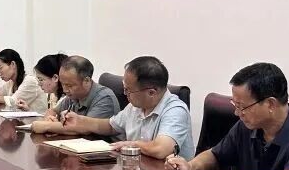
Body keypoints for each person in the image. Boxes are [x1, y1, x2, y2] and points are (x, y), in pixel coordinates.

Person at [60, 56, 194, 159]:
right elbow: (111, 126)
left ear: (151, 93)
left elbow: (161, 149)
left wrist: (132, 144)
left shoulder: (175, 111)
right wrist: (80, 121)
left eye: (129, 90)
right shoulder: (135, 106)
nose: (125, 94)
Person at [30, 56, 119, 135]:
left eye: (69, 85)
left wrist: (47, 126)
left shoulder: (104, 98)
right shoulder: (73, 95)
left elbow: (83, 129)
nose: (65, 90)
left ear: (86, 81)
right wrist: (50, 118)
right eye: (62, 84)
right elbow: (53, 111)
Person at [0, 48, 48, 113]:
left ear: (13, 64)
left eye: (0, 68)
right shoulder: (11, 82)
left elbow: (12, 101)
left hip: (38, 123)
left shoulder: (30, 81)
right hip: (22, 123)